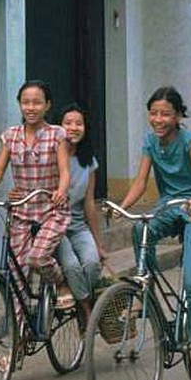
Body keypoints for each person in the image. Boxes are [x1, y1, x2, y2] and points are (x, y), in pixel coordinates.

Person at [117, 86, 191, 380]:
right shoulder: (150, 141)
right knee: (141, 231)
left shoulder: (189, 142)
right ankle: (145, 290)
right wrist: (122, 208)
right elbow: (140, 181)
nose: (158, 119)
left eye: (165, 114)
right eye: (153, 113)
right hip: (170, 205)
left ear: (177, 116)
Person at [0, 80, 73, 307]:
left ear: (47, 106)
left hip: (52, 210)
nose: (30, 108)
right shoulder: (11, 136)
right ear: (19, 105)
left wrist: (61, 192)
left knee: (37, 257)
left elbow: (65, 172)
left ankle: (61, 282)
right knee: (17, 273)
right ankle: (20, 333)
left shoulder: (57, 135)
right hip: (23, 210)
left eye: (36, 103)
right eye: (25, 102)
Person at [55, 103, 106, 326]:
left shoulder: (88, 161)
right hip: (55, 225)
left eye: (78, 123)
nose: (73, 128)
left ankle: (77, 298)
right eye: (67, 123)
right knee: (73, 267)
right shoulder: (52, 156)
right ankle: (86, 311)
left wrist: (99, 243)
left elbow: (89, 204)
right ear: (59, 127)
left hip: (77, 225)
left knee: (92, 264)